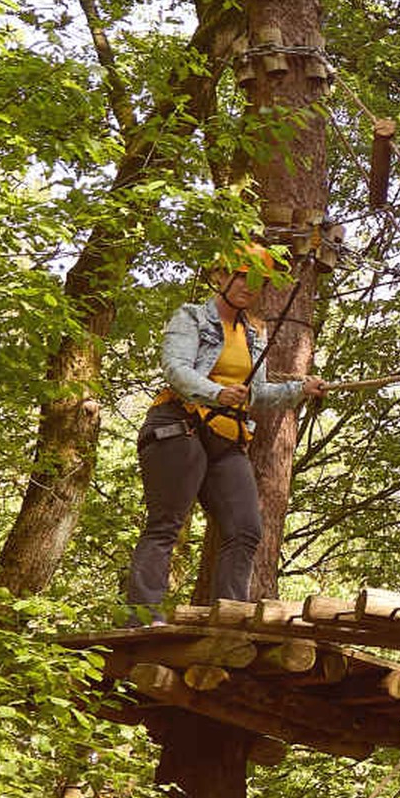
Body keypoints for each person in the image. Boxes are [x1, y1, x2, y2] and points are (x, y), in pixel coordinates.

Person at [127, 239, 319, 606]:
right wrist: (216, 392)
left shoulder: (254, 332)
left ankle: (230, 615)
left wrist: (301, 389)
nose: (250, 287)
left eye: (259, 281)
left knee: (246, 529)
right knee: (166, 525)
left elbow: (257, 393)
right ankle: (144, 615)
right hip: (179, 426)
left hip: (226, 438)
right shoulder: (192, 318)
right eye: (243, 276)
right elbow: (176, 369)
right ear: (221, 276)